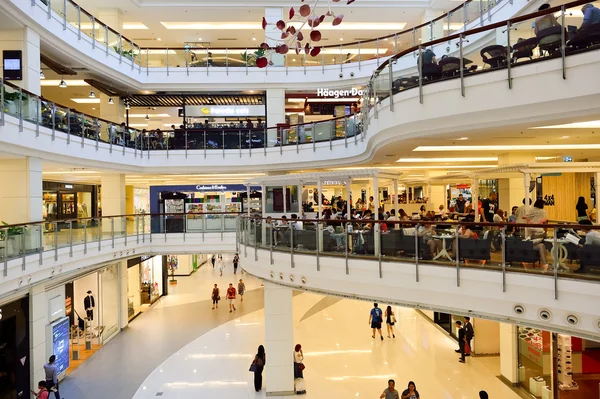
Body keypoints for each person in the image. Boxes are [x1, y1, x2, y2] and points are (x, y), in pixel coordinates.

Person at [524, 199, 549, 269]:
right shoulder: (543, 211)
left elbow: (525, 216)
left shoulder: (532, 210)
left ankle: (545, 262)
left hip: (530, 232)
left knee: (542, 244)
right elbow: (545, 220)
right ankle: (545, 262)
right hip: (538, 232)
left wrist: (531, 222)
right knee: (544, 244)